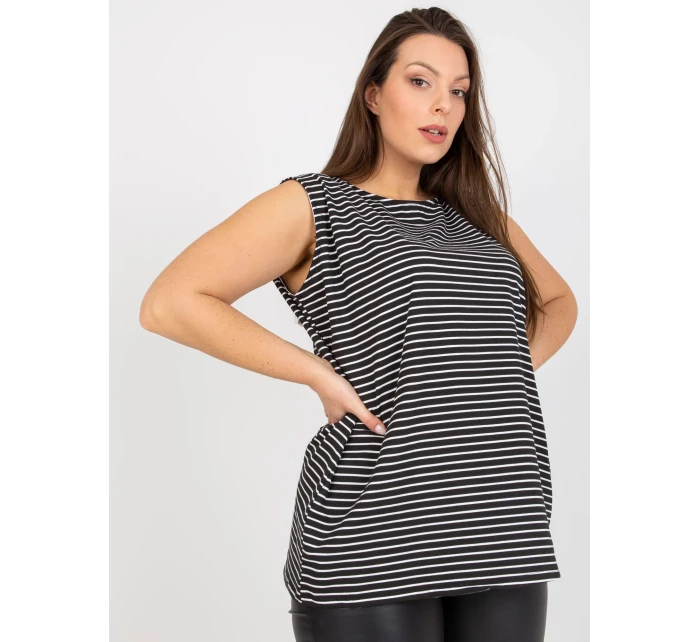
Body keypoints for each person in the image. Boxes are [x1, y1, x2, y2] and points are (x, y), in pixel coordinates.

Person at [139, 6, 577, 641]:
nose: (444, 106)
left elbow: (558, 303)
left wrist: (497, 368)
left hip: (503, 529)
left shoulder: (480, 216)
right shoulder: (314, 204)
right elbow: (170, 301)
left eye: (459, 91)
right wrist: (316, 373)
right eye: (420, 82)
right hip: (371, 533)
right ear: (374, 94)